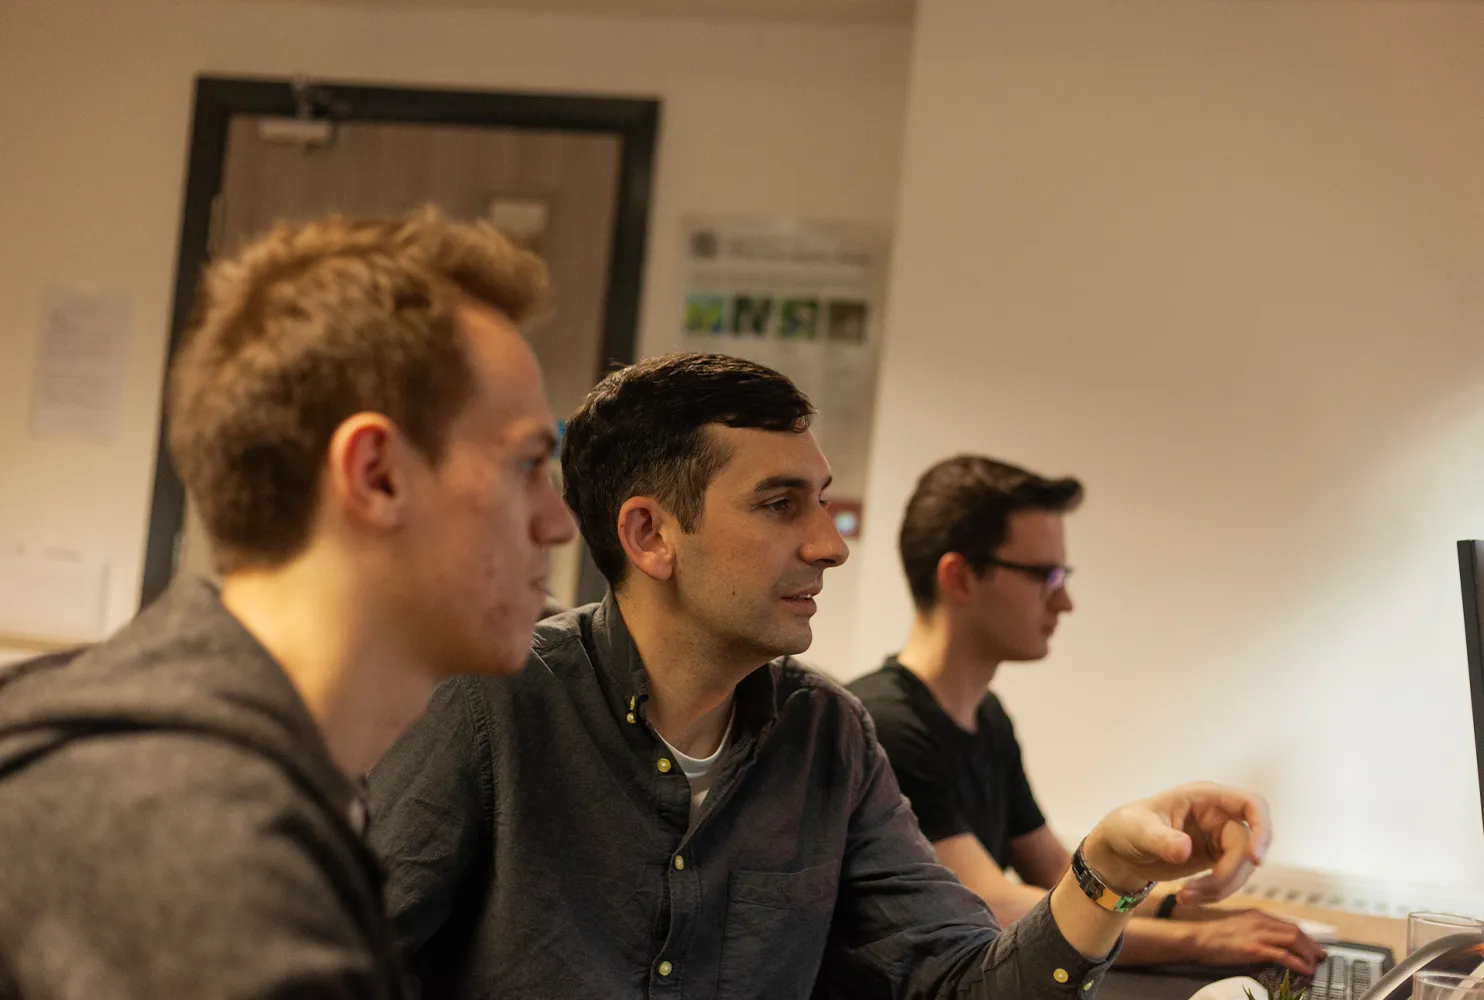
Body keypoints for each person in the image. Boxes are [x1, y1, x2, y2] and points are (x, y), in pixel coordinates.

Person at [367, 352, 1278, 999]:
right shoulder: (493, 703)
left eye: (823, 502)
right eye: (779, 505)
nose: (829, 545)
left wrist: (1109, 870)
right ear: (650, 536)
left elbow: (971, 985)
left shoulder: (829, 739)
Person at [0, 208, 576, 998]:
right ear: (376, 475)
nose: (559, 520)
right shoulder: (196, 844)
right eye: (526, 464)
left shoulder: (275, 776)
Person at [848, 455, 1326, 977]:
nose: (1066, 601)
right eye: (1045, 576)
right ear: (960, 577)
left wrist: (1193, 909)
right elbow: (996, 905)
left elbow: (1061, 877)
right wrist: (1202, 939)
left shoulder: (987, 716)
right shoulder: (884, 725)